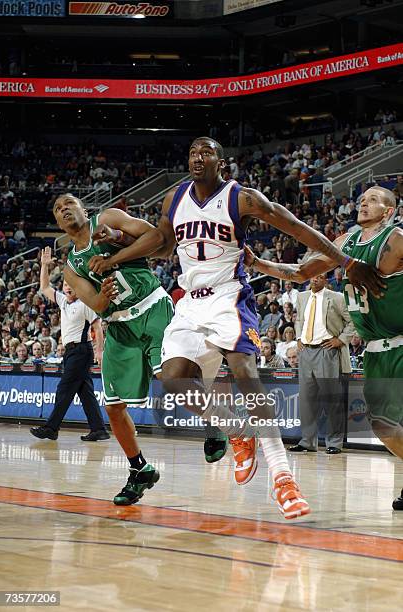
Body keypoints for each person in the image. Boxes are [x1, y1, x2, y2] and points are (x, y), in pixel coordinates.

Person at [92, 136, 381, 520]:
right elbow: (163, 244)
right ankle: (236, 431)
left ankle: (282, 475)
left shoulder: (242, 198)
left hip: (229, 295)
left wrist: (345, 263)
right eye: (193, 151)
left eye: (206, 152)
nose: (198, 157)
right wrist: (118, 246)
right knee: (174, 379)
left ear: (221, 162)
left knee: (244, 370)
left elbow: (296, 229)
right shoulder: (174, 199)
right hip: (191, 301)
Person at [244, 185, 403, 510]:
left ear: (388, 211)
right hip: (375, 350)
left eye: (374, 200)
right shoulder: (345, 243)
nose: (364, 202)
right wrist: (258, 262)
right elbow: (301, 273)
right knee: (382, 425)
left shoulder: (396, 238)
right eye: (362, 198)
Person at [52, 195, 174, 505]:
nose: (64, 209)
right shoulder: (70, 269)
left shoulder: (107, 218)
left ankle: (219, 423)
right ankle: (139, 469)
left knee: (171, 376)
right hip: (119, 325)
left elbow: (157, 238)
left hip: (152, 307)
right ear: (58, 223)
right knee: (114, 407)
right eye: (57, 209)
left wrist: (114, 254)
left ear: (83, 208)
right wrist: (104, 295)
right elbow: (96, 305)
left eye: (68, 203)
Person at [30, 247, 110, 443]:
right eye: (65, 284)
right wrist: (44, 266)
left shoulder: (85, 303)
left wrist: (99, 350)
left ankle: (51, 428)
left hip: (81, 351)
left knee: (64, 388)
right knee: (85, 392)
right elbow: (45, 287)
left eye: (71, 285)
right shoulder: (63, 302)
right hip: (71, 352)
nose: (67, 287)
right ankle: (99, 429)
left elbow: (97, 327)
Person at [290, 274, 354, 454]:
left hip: (327, 351)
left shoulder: (337, 297)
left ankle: (334, 443)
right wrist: (298, 338)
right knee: (306, 400)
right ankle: (308, 441)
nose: (314, 279)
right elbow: (299, 320)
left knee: (331, 399)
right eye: (313, 277)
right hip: (305, 351)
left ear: (326, 280)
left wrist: (341, 340)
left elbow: (353, 321)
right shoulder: (302, 296)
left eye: (319, 277)